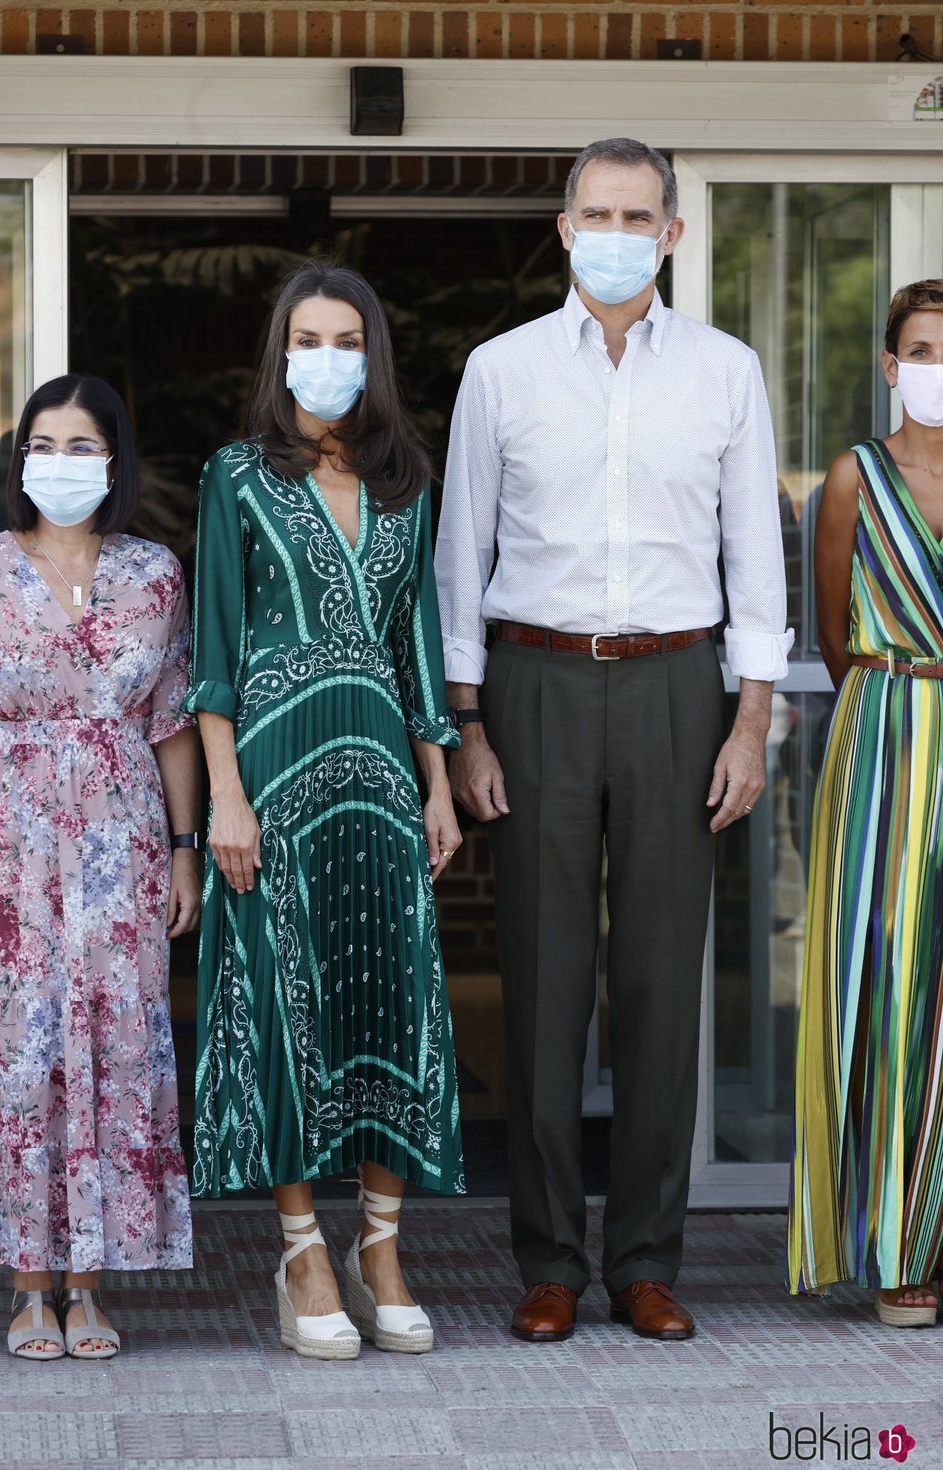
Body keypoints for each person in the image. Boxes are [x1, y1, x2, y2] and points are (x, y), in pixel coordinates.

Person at [435, 137, 792, 1344]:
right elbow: (459, 555)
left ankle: (643, 1259)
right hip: (530, 683)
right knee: (539, 984)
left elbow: (756, 557)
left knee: (654, 985)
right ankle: (545, 1259)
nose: (615, 231)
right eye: (595, 211)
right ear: (563, 225)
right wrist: (469, 721)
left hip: (676, 688)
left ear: (673, 235)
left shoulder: (726, 372)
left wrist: (749, 719)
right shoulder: (499, 370)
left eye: (637, 214)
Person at [185, 260, 464, 1362]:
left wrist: (440, 784)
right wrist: (226, 801)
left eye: (347, 337)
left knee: (389, 1001)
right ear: (280, 352)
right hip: (272, 780)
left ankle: (380, 1248)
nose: (328, 357)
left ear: (372, 354)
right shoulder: (236, 476)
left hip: (384, 788)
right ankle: (301, 1246)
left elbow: (422, 647)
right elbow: (213, 649)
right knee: (283, 1014)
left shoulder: (406, 484)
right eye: (308, 337)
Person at [0, 374, 199, 1360]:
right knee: (22, 1051)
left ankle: (91, 1286)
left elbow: (172, 718)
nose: (61, 464)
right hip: (4, 839)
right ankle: (27, 1284)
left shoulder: (155, 574)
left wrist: (186, 849)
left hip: (121, 841)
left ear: (114, 461)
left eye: (80, 445)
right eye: (43, 446)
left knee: (112, 1044)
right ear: (19, 462)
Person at [788, 280, 943, 1325]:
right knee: (888, 985)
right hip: (885, 728)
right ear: (890, 364)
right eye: (922, 347)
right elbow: (835, 635)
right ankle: (898, 1247)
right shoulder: (850, 477)